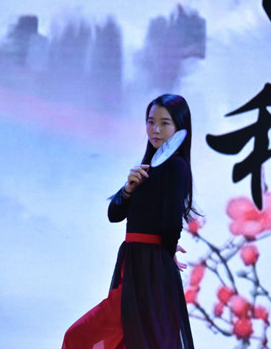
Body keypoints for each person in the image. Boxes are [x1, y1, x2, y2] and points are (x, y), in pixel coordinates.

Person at [63, 94, 197, 349]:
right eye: (151, 122)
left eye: (164, 123)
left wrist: (166, 250)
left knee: (80, 337)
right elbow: (114, 214)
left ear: (180, 127)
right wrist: (127, 190)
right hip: (137, 264)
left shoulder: (176, 166)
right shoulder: (147, 168)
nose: (155, 129)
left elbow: (170, 223)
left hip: (149, 270)